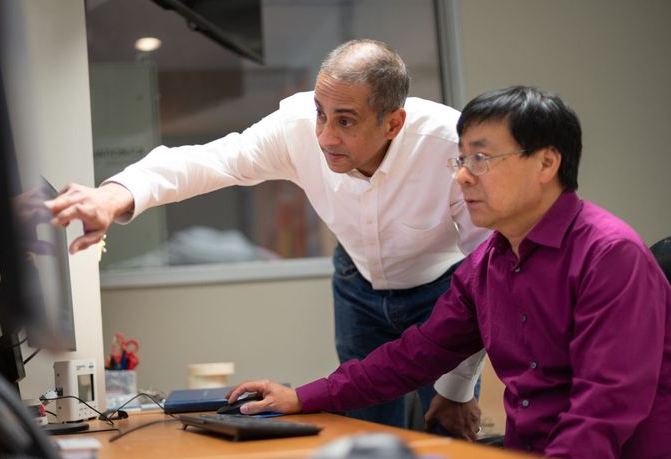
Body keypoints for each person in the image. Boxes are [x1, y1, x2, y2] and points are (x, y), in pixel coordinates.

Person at [46, 39, 490, 436]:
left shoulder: (449, 146)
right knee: (365, 431)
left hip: (445, 290)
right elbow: (212, 161)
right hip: (357, 284)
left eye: (345, 121)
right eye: (321, 114)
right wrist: (114, 195)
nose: (325, 136)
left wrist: (458, 386)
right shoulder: (297, 129)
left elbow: (484, 274)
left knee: (446, 426)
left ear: (393, 124)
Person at [225, 86, 671, 459]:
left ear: (545, 164)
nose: (461, 178)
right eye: (461, 160)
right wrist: (301, 397)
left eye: (481, 159)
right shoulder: (487, 264)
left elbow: (605, 405)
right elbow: (414, 354)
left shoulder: (609, 255)